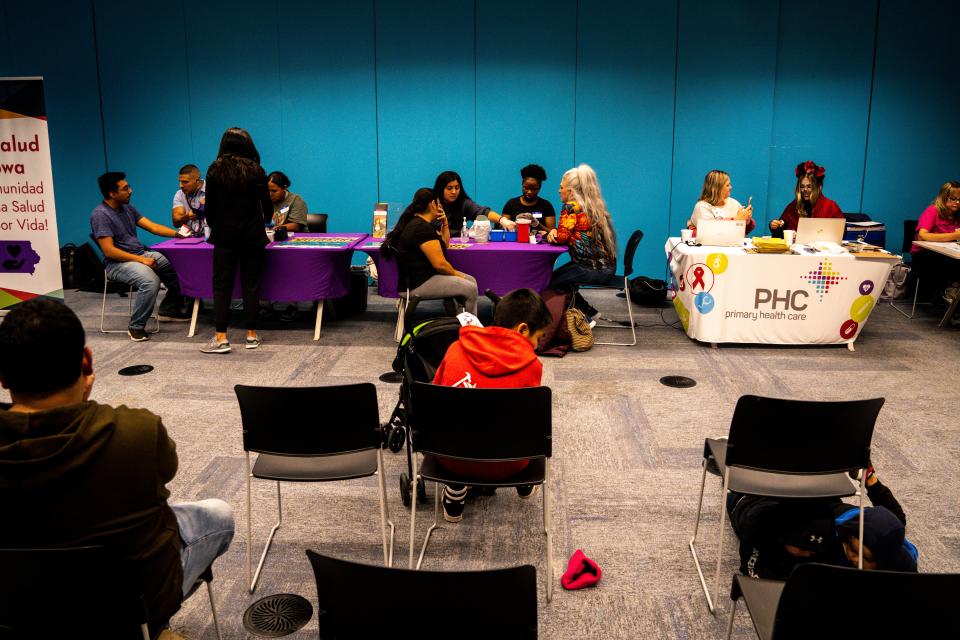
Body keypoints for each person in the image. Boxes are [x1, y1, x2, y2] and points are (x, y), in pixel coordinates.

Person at [0, 299, 235, 638]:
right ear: (86, 361)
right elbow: (166, 470)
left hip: (17, 606)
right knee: (217, 514)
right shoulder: (137, 431)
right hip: (132, 607)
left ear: (3, 376)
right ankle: (158, 629)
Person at [431, 288, 552, 522]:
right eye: (538, 338)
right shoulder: (532, 366)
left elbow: (434, 400)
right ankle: (524, 483)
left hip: (450, 457)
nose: (537, 346)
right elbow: (527, 422)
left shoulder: (455, 349)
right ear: (523, 329)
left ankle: (455, 487)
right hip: (509, 464)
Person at [727, 465, 918, 580]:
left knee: (897, 520)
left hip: (818, 503)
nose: (855, 560)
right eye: (852, 548)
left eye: (867, 559)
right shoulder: (827, 533)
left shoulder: (900, 556)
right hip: (748, 503)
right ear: (846, 536)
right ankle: (745, 470)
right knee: (744, 500)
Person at [90, 171, 189, 341]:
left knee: (175, 266)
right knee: (151, 282)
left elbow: (153, 227)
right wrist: (142, 260)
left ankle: (170, 308)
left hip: (139, 254)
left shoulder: (127, 208)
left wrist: (177, 234)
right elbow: (109, 251)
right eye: (125, 188)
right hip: (117, 263)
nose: (131, 191)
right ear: (112, 193)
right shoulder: (100, 215)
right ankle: (136, 326)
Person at [201, 127, 273, 354]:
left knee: (222, 286)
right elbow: (267, 207)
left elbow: (209, 208)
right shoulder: (257, 170)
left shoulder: (214, 170)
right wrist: (265, 221)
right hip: (253, 235)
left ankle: (221, 337)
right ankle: (251, 335)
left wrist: (216, 225)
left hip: (224, 236)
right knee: (252, 286)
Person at [382, 187, 478, 314]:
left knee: (471, 281)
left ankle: (460, 320)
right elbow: (440, 265)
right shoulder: (422, 228)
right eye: (439, 204)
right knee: (470, 288)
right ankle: (468, 330)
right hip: (419, 283)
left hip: (418, 279)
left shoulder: (417, 223)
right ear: (433, 204)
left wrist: (445, 223)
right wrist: (458, 275)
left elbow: (445, 245)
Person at [545, 164, 617, 318]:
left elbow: (562, 238)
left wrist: (552, 232)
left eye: (561, 187)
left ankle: (579, 320)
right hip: (606, 267)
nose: (559, 190)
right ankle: (588, 311)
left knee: (551, 283)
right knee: (560, 279)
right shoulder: (592, 206)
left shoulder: (570, 207)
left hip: (592, 269)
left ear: (570, 191)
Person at [911, 180, 960, 303]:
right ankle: (951, 291)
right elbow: (923, 235)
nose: (957, 203)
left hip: (949, 252)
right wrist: (954, 235)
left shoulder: (957, 215)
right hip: (924, 254)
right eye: (953, 199)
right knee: (950, 262)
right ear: (943, 197)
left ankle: (954, 292)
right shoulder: (932, 211)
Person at [769, 160, 843, 237]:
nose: (805, 190)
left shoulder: (830, 206)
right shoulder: (793, 206)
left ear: (819, 187)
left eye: (809, 186)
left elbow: (841, 232)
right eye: (802, 187)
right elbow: (781, 234)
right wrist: (775, 226)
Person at [433, 170, 516, 235]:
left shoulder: (464, 203)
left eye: (457, 188)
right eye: (449, 188)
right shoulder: (432, 205)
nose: (454, 192)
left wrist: (502, 220)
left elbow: (483, 212)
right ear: (441, 189)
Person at [687, 169, 755, 233]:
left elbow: (742, 232)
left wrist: (747, 221)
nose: (731, 187)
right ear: (717, 188)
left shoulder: (734, 203)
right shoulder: (702, 207)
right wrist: (737, 220)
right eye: (727, 185)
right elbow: (711, 233)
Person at [501, 163, 557, 231]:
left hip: (539, 241)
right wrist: (516, 224)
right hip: (516, 241)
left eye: (534, 189)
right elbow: (504, 228)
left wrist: (536, 224)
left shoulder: (546, 206)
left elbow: (552, 233)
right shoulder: (511, 204)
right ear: (522, 185)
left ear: (539, 188)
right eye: (526, 188)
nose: (529, 192)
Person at [171, 164, 207, 238]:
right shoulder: (179, 194)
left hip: (212, 237)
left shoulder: (212, 191)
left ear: (197, 181)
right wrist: (187, 217)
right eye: (180, 181)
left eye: (185, 182)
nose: (180, 186)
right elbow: (176, 222)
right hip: (189, 238)